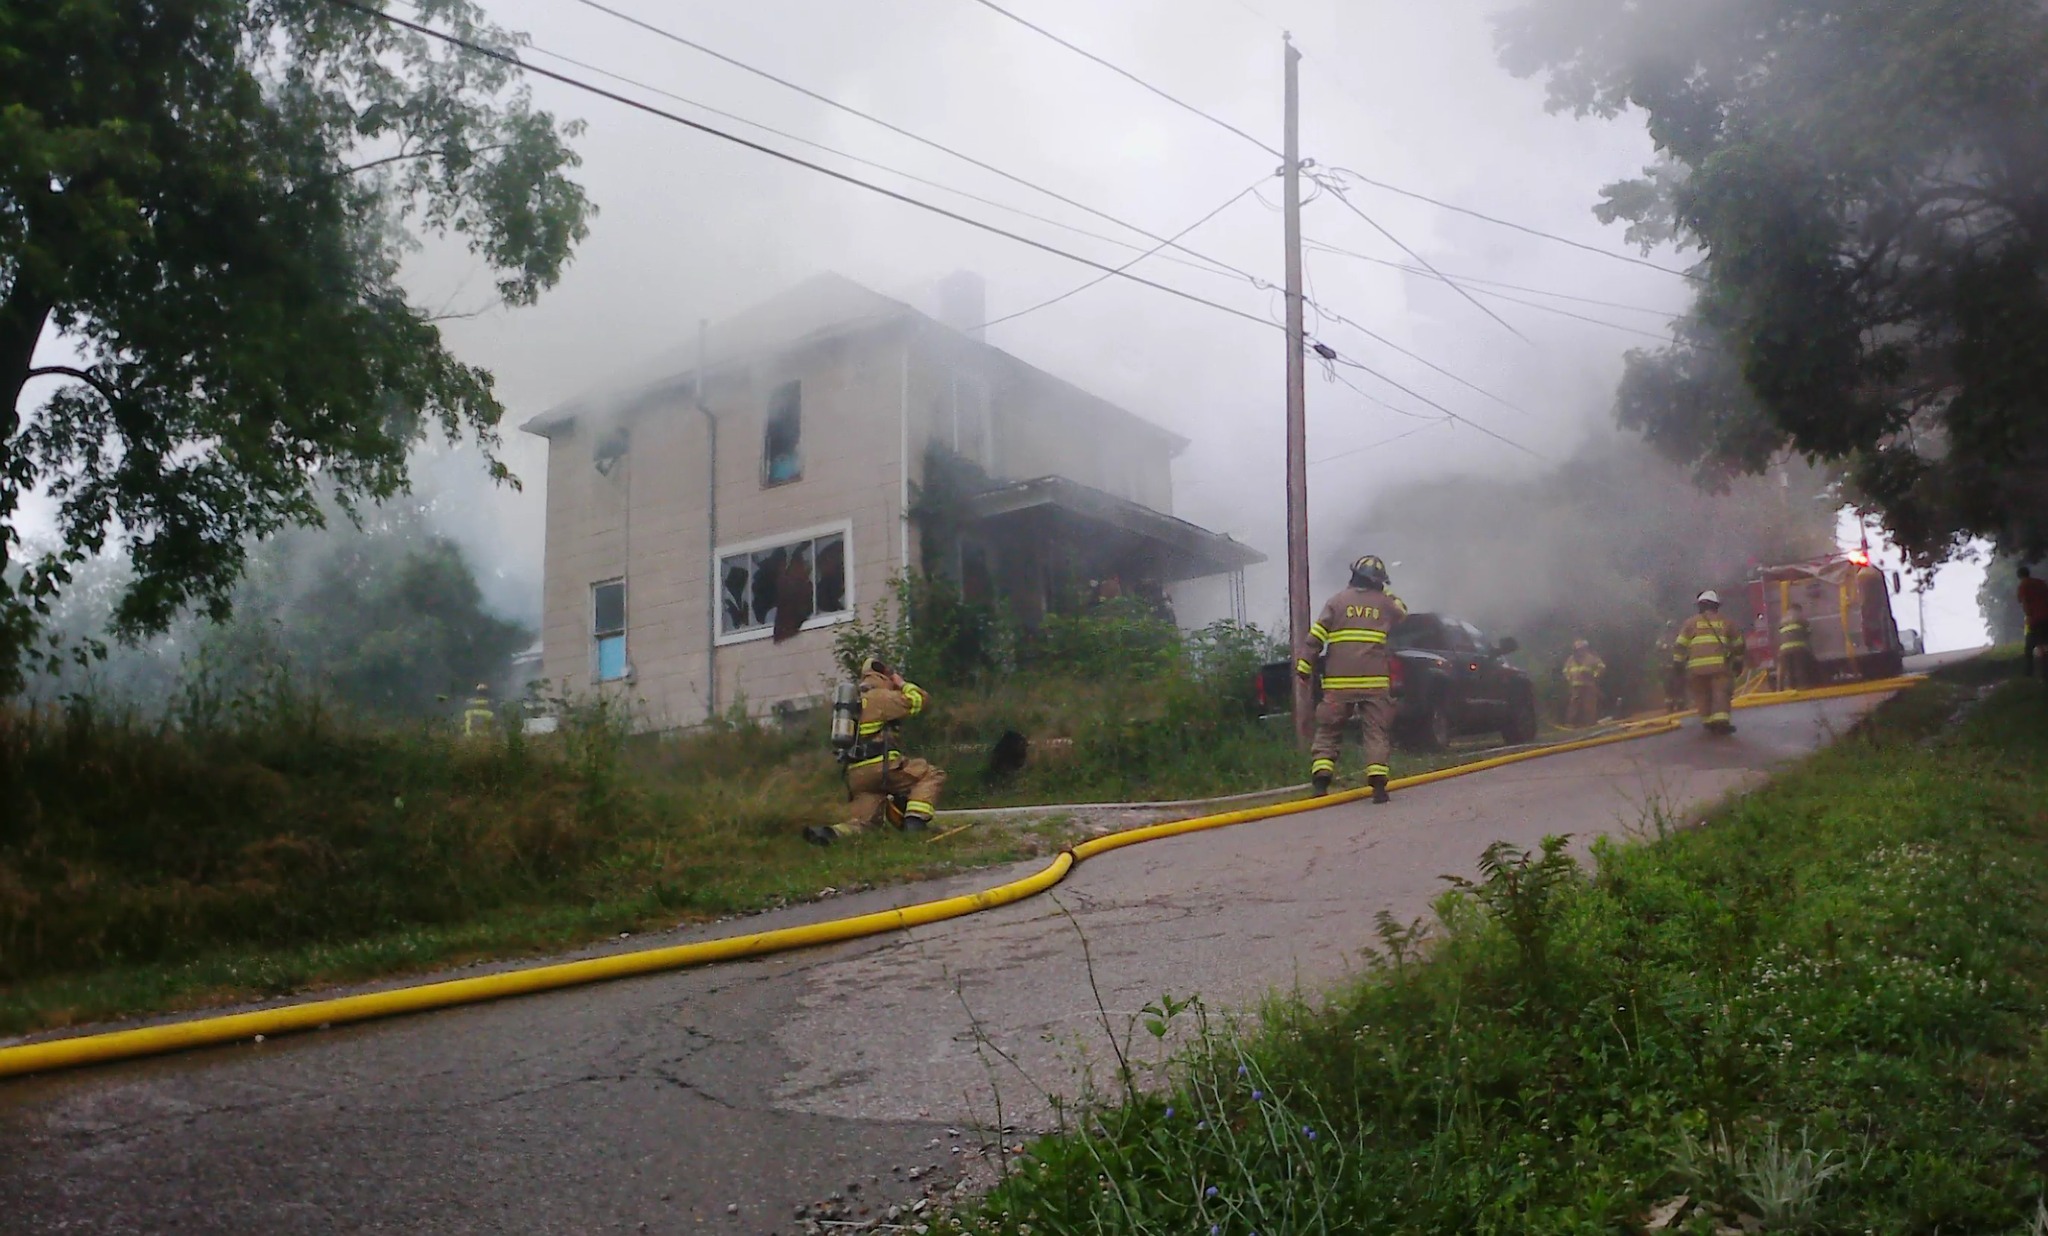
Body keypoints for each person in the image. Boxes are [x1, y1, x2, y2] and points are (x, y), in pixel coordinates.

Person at [1298, 554, 1408, 803]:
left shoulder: (1336, 602)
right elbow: (1403, 612)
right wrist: (1386, 592)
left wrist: (1305, 665)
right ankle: (1378, 787)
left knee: (1329, 731)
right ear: (1378, 581)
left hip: (1339, 684)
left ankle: (1320, 783)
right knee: (1376, 732)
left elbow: (1316, 636)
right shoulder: (1384, 603)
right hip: (1374, 683)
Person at [806, 657, 946, 845]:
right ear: (884, 677)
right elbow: (920, 701)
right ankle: (915, 823)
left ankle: (828, 834)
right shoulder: (880, 697)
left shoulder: (853, 702)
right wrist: (902, 683)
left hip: (857, 776)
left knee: (865, 823)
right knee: (930, 774)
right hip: (882, 768)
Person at [1674, 590, 1742, 735]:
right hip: (1719, 667)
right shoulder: (1726, 622)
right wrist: (1738, 662)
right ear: (1716, 606)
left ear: (1700, 606)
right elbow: (1738, 644)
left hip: (1696, 669)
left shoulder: (1690, 623)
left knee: (1701, 693)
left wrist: (1678, 664)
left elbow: (1680, 645)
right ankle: (1721, 722)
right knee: (1721, 692)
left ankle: (1708, 722)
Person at [1562, 639, 1606, 728]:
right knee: (1574, 705)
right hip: (1575, 686)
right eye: (1577, 649)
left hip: (1588, 685)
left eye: (1581, 649)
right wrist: (1569, 678)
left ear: (1585, 649)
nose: (1579, 651)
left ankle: (1589, 723)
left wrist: (1595, 675)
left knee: (1589, 705)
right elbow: (1565, 670)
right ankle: (1570, 723)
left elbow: (1602, 666)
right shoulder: (1571, 659)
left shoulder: (1591, 658)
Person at [1776, 603, 1815, 691]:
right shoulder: (1800, 617)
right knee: (1799, 668)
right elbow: (1808, 632)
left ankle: (1785, 688)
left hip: (1784, 649)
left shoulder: (1783, 619)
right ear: (1798, 609)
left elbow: (1780, 633)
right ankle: (1802, 687)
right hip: (1798, 647)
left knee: (1787, 669)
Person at [2020, 566, 2048, 679]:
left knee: (2034, 647)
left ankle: (2034, 674)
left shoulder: (2023, 585)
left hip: (2035, 619)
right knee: (2044, 644)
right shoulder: (2041, 583)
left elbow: (2024, 602)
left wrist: (2028, 616)